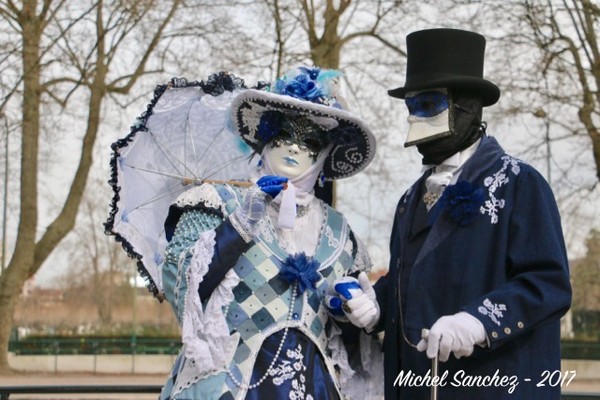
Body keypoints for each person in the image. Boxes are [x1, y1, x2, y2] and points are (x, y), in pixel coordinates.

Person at [333, 28, 572, 399]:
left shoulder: (520, 184)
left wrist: (479, 321)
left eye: (428, 106)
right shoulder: (409, 199)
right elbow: (410, 281)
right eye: (412, 107)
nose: (415, 119)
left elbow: (548, 282)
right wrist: (376, 305)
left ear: (468, 106)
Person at [158, 66, 382, 400]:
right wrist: (239, 227)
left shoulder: (339, 231)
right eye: (283, 134)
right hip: (229, 387)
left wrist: (352, 310)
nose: (293, 147)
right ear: (264, 137)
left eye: (309, 141)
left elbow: (341, 326)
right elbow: (181, 283)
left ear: (323, 154)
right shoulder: (217, 202)